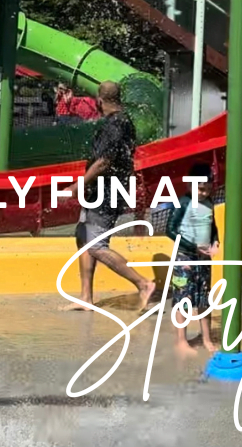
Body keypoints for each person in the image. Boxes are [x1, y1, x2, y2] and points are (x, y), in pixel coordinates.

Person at [62, 81, 155, 311]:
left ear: (100, 100)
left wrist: (76, 186)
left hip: (106, 190)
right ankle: (86, 297)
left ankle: (142, 284)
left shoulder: (115, 124)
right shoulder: (123, 121)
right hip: (104, 189)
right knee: (83, 236)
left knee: (96, 244)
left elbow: (104, 162)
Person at [167, 161, 220, 356]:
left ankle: (206, 337)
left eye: (207, 189)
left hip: (204, 259)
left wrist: (215, 242)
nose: (204, 193)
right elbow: (170, 230)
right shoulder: (183, 203)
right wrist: (192, 246)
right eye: (200, 189)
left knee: (204, 299)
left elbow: (213, 227)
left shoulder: (209, 202)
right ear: (189, 185)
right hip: (184, 259)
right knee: (184, 299)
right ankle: (181, 340)